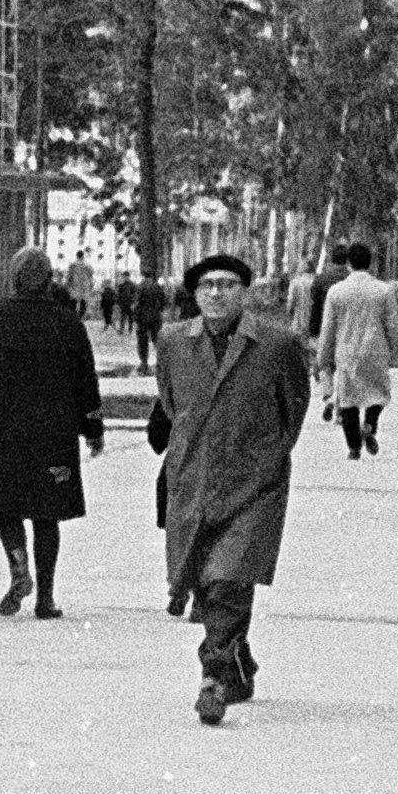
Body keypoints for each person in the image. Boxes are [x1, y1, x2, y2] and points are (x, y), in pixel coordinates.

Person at [148, 252, 314, 727]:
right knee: (205, 580)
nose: (216, 293)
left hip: (255, 484)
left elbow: (293, 411)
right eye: (207, 286)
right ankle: (238, 665)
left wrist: (265, 459)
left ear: (245, 291)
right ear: (195, 295)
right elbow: (171, 401)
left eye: (227, 284)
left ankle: (213, 679)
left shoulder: (277, 345)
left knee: (229, 578)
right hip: (194, 478)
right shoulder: (174, 342)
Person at [0, 247, 102, 618]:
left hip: (4, 431)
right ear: (48, 279)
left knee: (5, 507)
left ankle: (17, 564)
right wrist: (93, 427)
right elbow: (86, 381)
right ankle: (46, 597)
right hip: (54, 435)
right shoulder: (67, 323)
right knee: (48, 515)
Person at [317, 241, 398, 459]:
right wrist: (392, 350)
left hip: (346, 351)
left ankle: (354, 447)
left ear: (349, 264)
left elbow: (328, 328)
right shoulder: (384, 290)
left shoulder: (337, 292)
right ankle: (370, 423)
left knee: (348, 400)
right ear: (370, 263)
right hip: (376, 349)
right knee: (378, 394)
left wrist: (323, 356)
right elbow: (393, 326)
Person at [130, 275, 166, 372]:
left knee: (142, 341)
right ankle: (162, 363)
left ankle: (144, 363)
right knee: (157, 341)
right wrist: (158, 311)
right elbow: (164, 302)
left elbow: (136, 303)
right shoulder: (157, 287)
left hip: (142, 318)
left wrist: (135, 316)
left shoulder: (140, 287)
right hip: (156, 318)